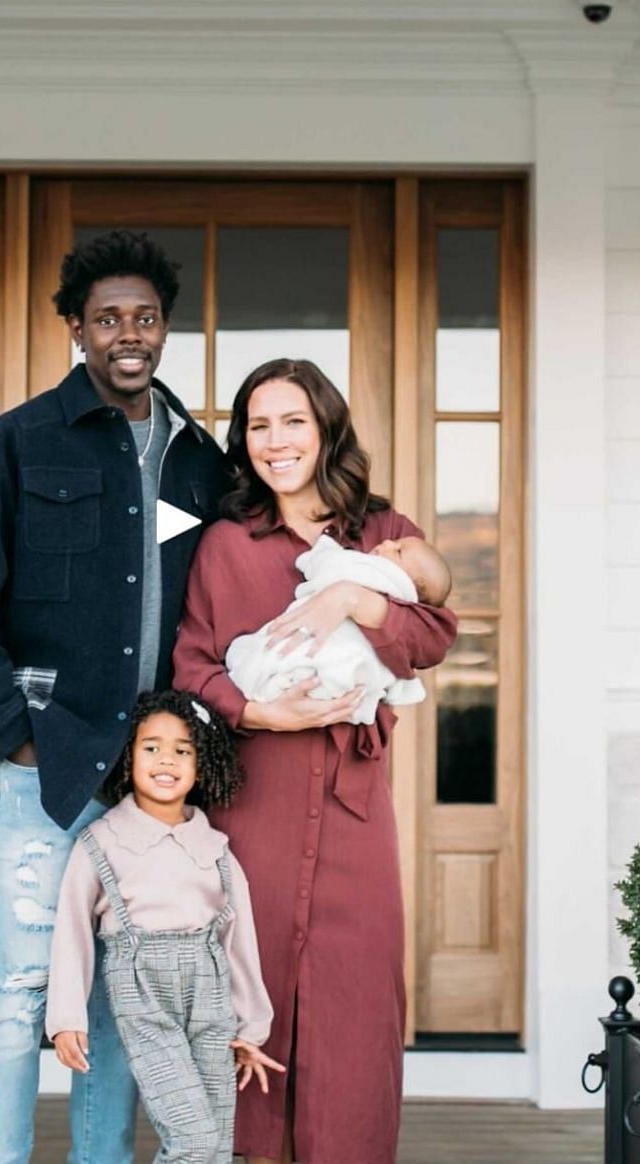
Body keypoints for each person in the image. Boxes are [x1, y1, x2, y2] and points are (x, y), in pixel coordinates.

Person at [0, 231, 230, 1164]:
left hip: (148, 788)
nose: (126, 335)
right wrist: (10, 737)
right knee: (18, 991)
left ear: (164, 328)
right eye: (107, 319)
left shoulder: (197, 460)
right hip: (42, 773)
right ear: (75, 329)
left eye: (143, 318)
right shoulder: (18, 442)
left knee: (117, 998)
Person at [172, 358, 458, 1164]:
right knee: (248, 992)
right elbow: (192, 664)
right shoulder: (226, 545)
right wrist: (261, 710)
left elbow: (434, 634)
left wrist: (351, 599)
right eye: (258, 426)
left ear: (326, 426)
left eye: (293, 420)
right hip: (252, 806)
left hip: (354, 810)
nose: (276, 441)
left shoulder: (382, 532)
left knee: (356, 1000)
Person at [47, 689, 283, 1164]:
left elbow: (239, 942)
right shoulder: (102, 842)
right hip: (143, 998)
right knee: (192, 1142)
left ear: (201, 763)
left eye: (182, 750)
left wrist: (252, 1026)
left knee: (215, 1145)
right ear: (127, 756)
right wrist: (66, 1018)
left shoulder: (214, 847)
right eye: (151, 747)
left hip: (211, 999)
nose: (166, 760)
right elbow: (71, 933)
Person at [225, 533, 452, 725]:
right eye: (395, 541)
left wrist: (352, 597)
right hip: (325, 703)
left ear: (410, 583)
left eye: (399, 551)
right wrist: (259, 715)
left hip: (349, 745)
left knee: (310, 658)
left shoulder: (372, 559)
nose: (388, 542)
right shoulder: (227, 539)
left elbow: (434, 637)